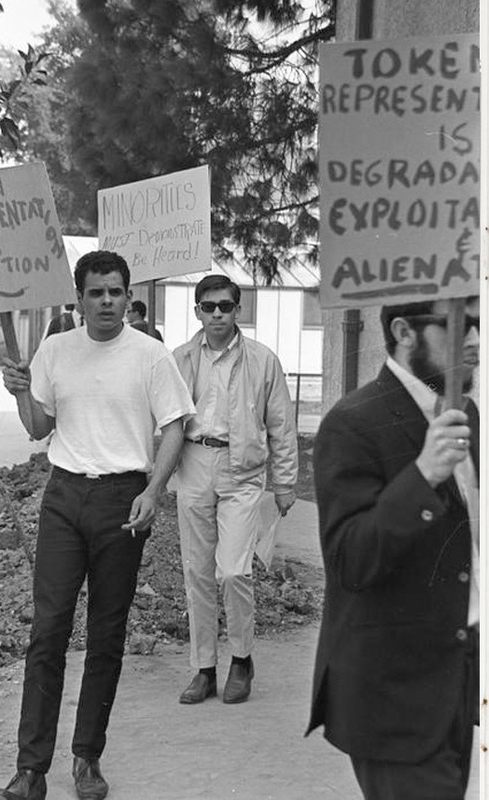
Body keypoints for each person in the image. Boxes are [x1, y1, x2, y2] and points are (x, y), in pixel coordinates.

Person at [0, 251, 195, 800]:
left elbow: (176, 425)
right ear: (79, 299)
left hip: (123, 500)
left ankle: (87, 759)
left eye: (116, 292)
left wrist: (154, 491)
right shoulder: (56, 349)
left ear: (128, 297)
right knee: (48, 630)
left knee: (106, 635)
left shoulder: (151, 356)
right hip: (64, 496)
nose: (107, 301)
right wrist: (19, 393)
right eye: (96, 292)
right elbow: (39, 427)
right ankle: (30, 769)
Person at [306, 296, 480, 799]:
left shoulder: (465, 412)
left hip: (457, 682)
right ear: (405, 332)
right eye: (459, 325)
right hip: (394, 698)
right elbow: (350, 560)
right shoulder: (352, 422)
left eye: (479, 324)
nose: (473, 341)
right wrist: (423, 475)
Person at [172, 274, 298, 705]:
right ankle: (204, 668)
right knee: (197, 571)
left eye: (226, 306)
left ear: (238, 310)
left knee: (233, 570)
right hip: (192, 464)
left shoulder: (263, 361)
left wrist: (284, 483)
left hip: (242, 470)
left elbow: (281, 426)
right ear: (197, 312)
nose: (218, 314)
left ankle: (241, 659)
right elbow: (164, 419)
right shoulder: (181, 359)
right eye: (209, 307)